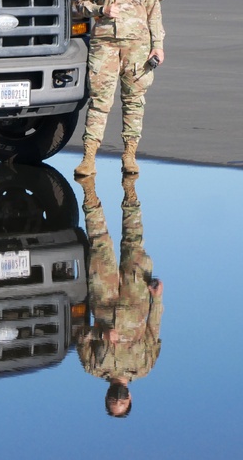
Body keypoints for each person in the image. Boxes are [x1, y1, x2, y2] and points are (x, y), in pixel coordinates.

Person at [73, 0, 164, 176]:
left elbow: (154, 11)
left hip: (138, 47)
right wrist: (100, 10)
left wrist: (158, 45)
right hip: (105, 46)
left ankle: (129, 155)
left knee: (134, 101)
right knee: (99, 102)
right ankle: (89, 158)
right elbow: (79, 5)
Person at [74, 173, 163, 418]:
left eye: (113, 401)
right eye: (122, 402)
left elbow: (80, 335)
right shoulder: (144, 367)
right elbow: (153, 330)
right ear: (130, 398)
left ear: (106, 397)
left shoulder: (93, 367)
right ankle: (130, 186)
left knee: (99, 242)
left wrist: (99, 334)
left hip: (104, 294)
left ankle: (88, 189)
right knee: (133, 241)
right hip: (137, 295)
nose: (117, 398)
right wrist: (157, 297)